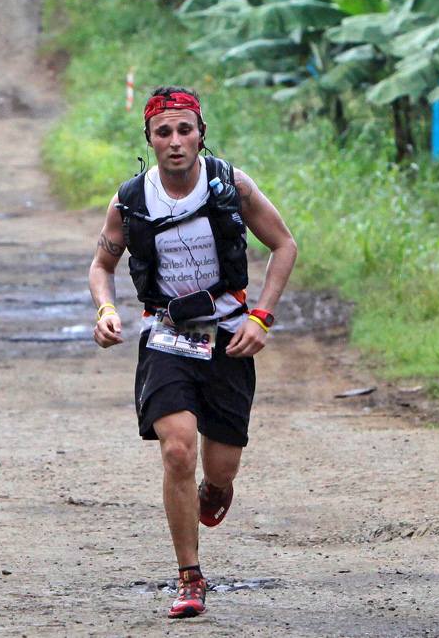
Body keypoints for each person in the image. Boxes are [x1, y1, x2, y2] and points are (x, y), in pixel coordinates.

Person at [88, 86, 296, 618]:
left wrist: (261, 317)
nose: (176, 141)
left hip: (229, 337)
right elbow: (102, 266)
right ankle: (190, 576)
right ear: (150, 140)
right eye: (164, 132)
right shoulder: (130, 200)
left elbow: (284, 245)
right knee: (177, 449)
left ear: (201, 133)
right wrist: (106, 310)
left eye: (185, 130)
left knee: (220, 465)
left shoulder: (232, 185)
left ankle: (215, 488)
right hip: (167, 337)